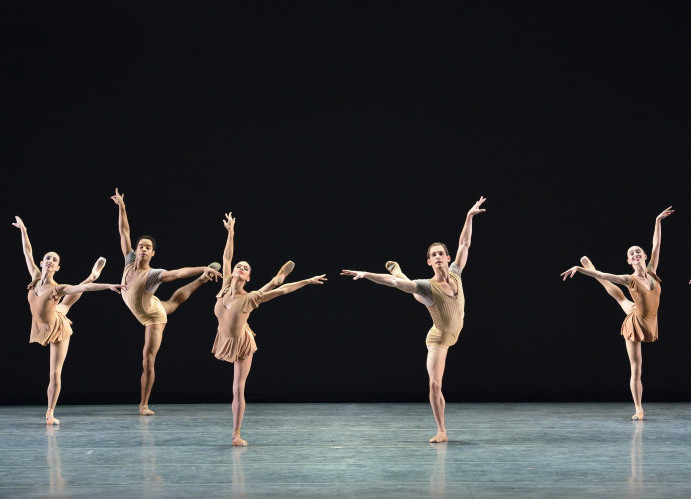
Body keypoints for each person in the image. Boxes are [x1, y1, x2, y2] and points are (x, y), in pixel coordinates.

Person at [341, 196, 487, 443]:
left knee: (417, 295)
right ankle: (441, 430)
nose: (439, 256)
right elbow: (393, 283)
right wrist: (366, 274)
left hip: (454, 329)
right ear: (429, 262)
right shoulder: (427, 285)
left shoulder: (456, 272)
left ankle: (399, 267)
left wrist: (469, 216)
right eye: (434, 255)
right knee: (434, 385)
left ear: (448, 258)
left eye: (442, 253)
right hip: (439, 337)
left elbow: (464, 243)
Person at [213, 212, 326, 446]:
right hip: (225, 337)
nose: (241, 267)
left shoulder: (250, 297)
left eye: (246, 268)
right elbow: (226, 257)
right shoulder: (224, 286)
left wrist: (306, 281)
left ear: (249, 277)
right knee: (271, 285)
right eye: (239, 266)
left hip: (242, 342)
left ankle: (236, 433)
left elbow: (282, 293)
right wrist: (231, 232)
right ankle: (275, 278)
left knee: (237, 388)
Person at [110, 188, 222, 415]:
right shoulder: (129, 260)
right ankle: (202, 281)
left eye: (147, 248)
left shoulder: (154, 274)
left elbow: (178, 273)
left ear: (153, 254)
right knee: (172, 303)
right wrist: (122, 206)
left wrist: (202, 267)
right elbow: (123, 232)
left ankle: (143, 405)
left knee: (148, 360)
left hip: (152, 317)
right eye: (141, 246)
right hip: (149, 306)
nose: (142, 249)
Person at [561, 206, 674, 420]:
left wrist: (658, 220)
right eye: (631, 253)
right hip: (635, 321)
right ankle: (639, 408)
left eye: (638, 251)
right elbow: (607, 273)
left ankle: (592, 271)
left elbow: (657, 244)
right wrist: (580, 269)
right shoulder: (628, 278)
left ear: (644, 256)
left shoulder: (652, 271)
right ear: (629, 261)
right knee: (636, 366)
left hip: (647, 316)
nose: (635, 254)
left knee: (621, 298)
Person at [13, 216, 125, 424]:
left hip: (57, 327)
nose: (50, 261)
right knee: (64, 306)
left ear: (57, 268)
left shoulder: (58, 287)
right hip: (48, 317)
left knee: (55, 372)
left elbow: (81, 289)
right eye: (48, 258)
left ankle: (50, 412)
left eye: (55, 260)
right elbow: (27, 252)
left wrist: (107, 285)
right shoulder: (35, 277)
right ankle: (92, 274)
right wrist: (24, 230)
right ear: (42, 262)